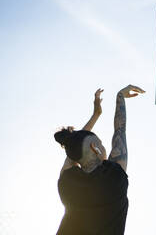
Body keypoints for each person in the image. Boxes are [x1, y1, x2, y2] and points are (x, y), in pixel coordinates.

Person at [54, 85, 145, 235]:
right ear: (95, 148)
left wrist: (96, 115)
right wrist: (120, 96)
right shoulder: (113, 178)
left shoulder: (67, 181)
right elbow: (120, 130)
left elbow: (74, 150)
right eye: (101, 143)